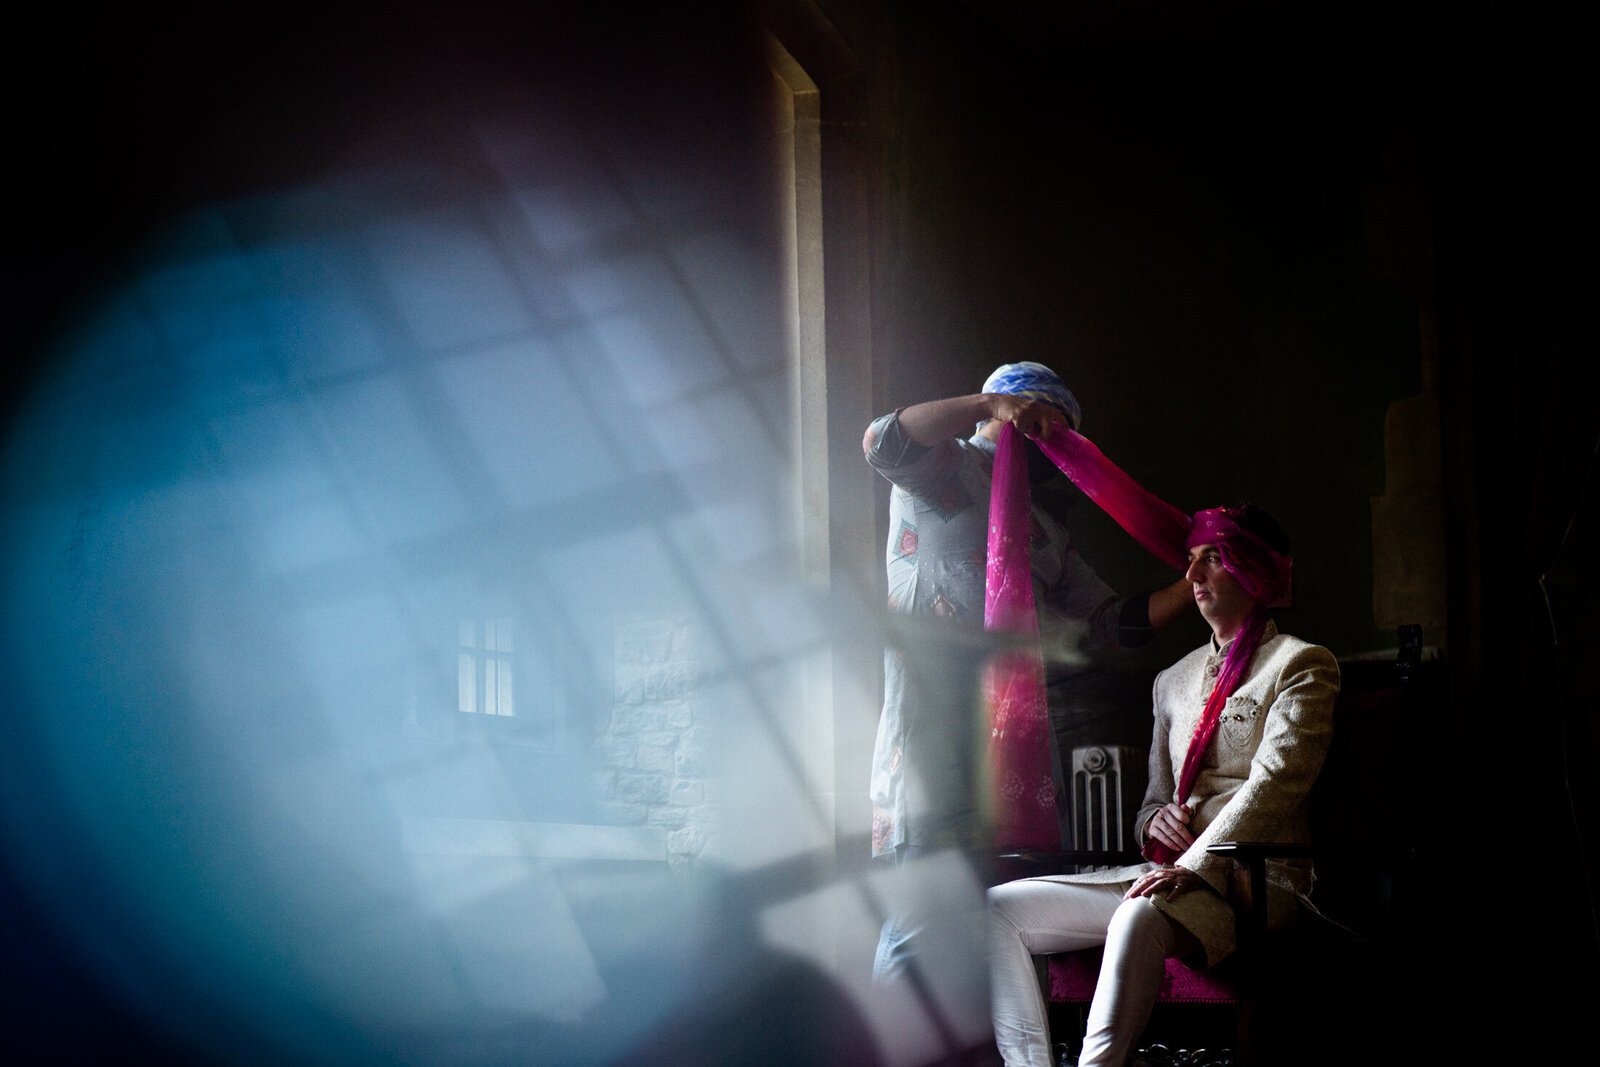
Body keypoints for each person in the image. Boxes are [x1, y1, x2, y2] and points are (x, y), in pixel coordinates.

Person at [863, 362, 1193, 982]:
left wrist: (1198, 578)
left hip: (1005, 753)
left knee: (985, 931)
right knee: (918, 921)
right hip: (928, 738)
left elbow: (1110, 623)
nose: (1050, 446)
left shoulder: (1045, 534)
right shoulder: (939, 472)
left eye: (1063, 439)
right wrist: (988, 406)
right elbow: (883, 439)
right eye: (1042, 424)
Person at [986, 503, 1340, 1067]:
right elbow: (1153, 800)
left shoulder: (1301, 665)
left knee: (1136, 915)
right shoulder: (1170, 680)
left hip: (1254, 882)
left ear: (1254, 570)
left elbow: (1275, 785)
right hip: (1162, 874)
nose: (1193, 578)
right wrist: (1154, 820)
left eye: (1213, 560)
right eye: (1191, 560)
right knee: (998, 909)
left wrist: (1196, 864)